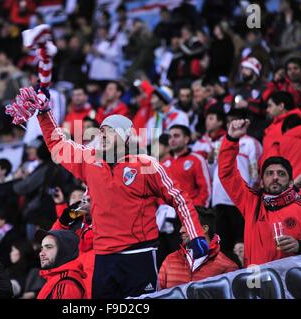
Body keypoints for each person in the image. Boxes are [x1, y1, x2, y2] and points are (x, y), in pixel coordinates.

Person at [14, 25, 208, 299]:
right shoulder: (90, 161)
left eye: (108, 132)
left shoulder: (145, 164)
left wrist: (196, 234)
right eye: (100, 131)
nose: (101, 136)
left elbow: (179, 198)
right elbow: (58, 145)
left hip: (139, 254)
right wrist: (45, 114)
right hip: (103, 258)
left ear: (125, 137)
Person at [218, 118, 301, 266]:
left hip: (291, 287)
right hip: (256, 284)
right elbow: (227, 174)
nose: (275, 177)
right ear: (262, 182)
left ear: (291, 181)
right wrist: (231, 139)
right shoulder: (251, 203)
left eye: (281, 174)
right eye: (269, 173)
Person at [210, 109, 262, 257]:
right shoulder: (218, 143)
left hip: (239, 198)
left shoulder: (252, 143)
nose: (231, 124)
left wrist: (251, 193)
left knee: (241, 243)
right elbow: (212, 168)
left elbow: (255, 170)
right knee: (222, 244)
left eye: (235, 120)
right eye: (229, 122)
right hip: (219, 198)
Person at [158, 207, 238, 289]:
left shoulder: (226, 267)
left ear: (204, 229)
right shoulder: (170, 260)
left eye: (187, 225)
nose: (181, 230)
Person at [163, 125, 211, 207]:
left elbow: (205, 190)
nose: (172, 139)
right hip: (168, 212)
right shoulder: (164, 163)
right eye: (170, 137)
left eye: (176, 136)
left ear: (186, 139)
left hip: (191, 211)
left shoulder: (197, 159)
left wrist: (197, 208)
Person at [35, 229, 87, 299]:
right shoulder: (57, 278)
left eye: (49, 247)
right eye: (42, 248)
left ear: (63, 251)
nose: (41, 253)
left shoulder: (66, 283)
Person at [261, 91, 301, 163]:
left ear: (281, 106)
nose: (267, 110)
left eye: (270, 106)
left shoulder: (295, 124)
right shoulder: (274, 125)